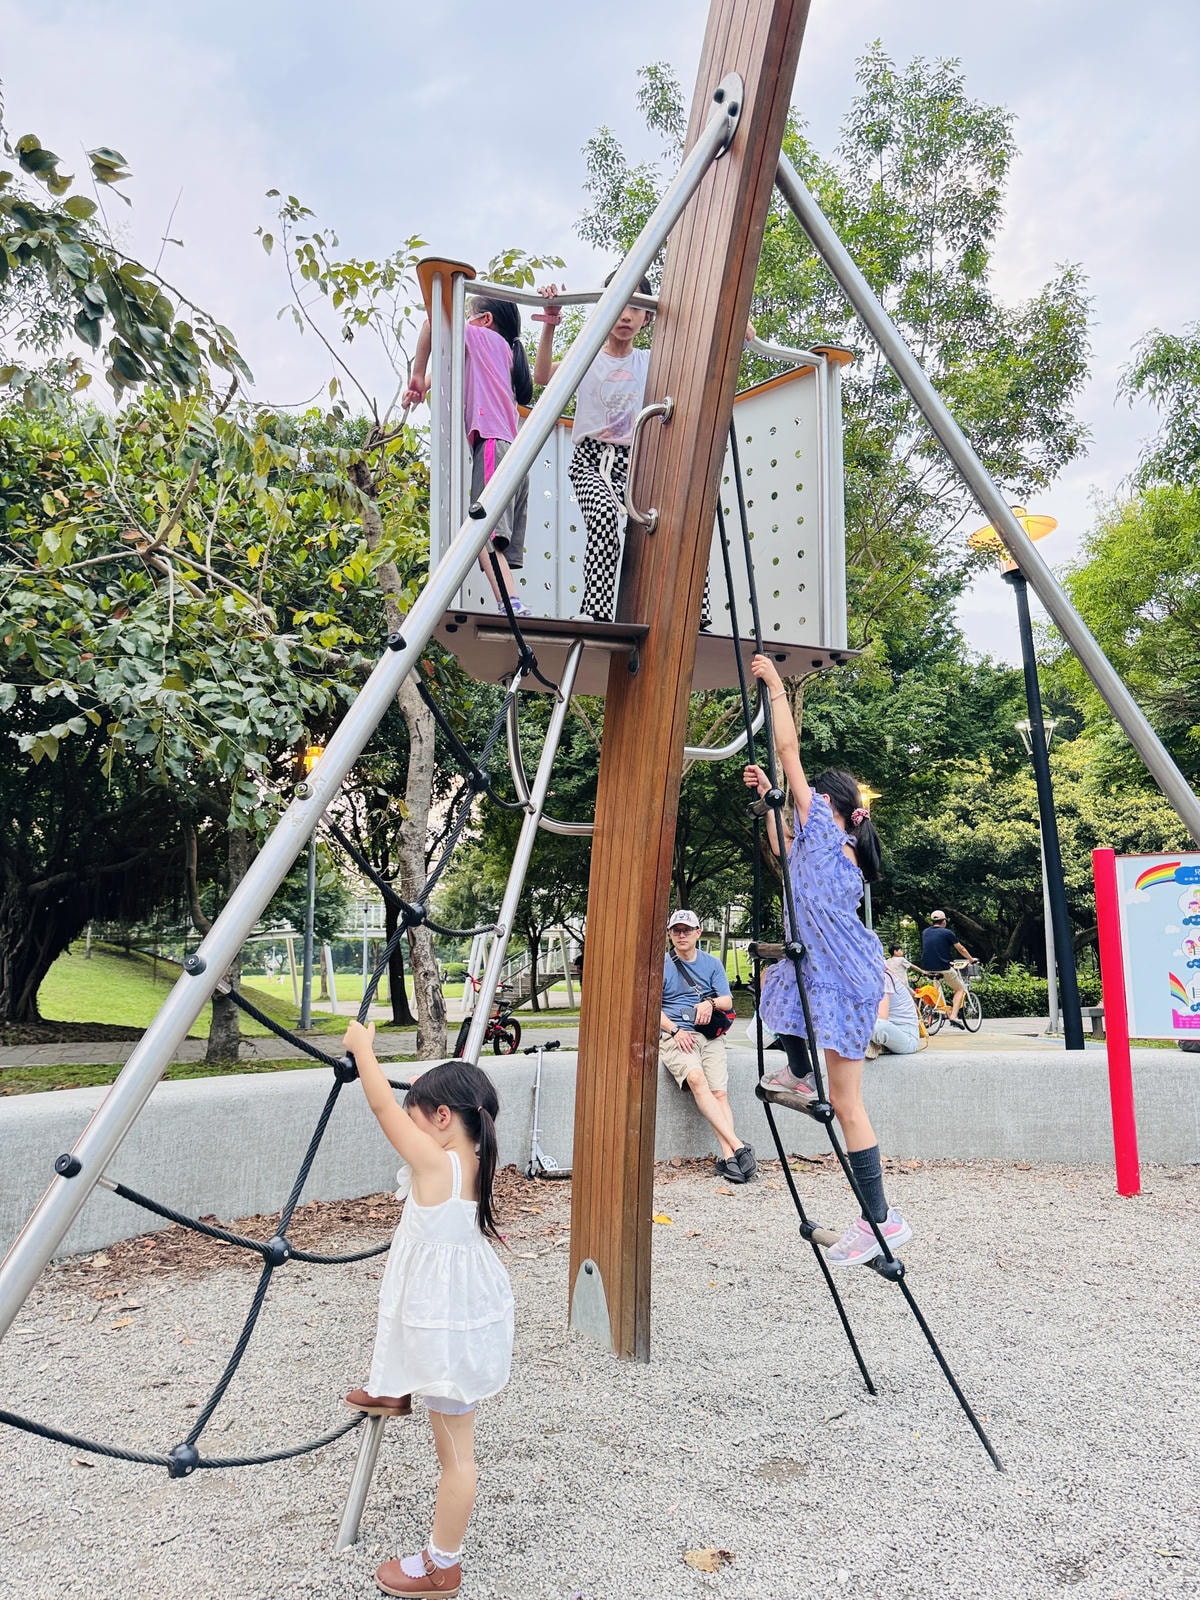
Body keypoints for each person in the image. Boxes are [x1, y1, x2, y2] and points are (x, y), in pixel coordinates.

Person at [742, 654, 911, 1269]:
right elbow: (781, 852)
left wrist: (777, 690)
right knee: (778, 980)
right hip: (840, 971)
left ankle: (882, 1220)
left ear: (830, 805)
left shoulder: (822, 826)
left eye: (805, 799)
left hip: (839, 976)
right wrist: (766, 804)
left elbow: (789, 751)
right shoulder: (831, 849)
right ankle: (797, 1072)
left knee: (847, 1103)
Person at [341, 1021, 514, 1598]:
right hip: (451, 1309)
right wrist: (427, 1089)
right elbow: (417, 1113)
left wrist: (364, 1049)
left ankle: (442, 1564)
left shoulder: (436, 1166)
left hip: (442, 1324)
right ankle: (393, 1384)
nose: (410, 1124)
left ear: (443, 1118)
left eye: (423, 1114)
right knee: (403, 1332)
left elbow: (381, 1108)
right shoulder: (473, 1159)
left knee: (456, 1459)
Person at [533, 273, 655, 622]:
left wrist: (742, 331)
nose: (626, 315)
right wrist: (550, 323)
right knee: (602, 518)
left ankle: (675, 613)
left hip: (635, 463)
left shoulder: (649, 361)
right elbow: (542, 376)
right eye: (619, 305)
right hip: (590, 460)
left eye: (637, 307)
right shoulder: (588, 356)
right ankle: (595, 613)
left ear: (648, 317)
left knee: (659, 530)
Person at [405, 296, 532, 617]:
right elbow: (449, 363)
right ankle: (511, 601)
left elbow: (431, 323)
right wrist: (425, 387)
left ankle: (510, 603)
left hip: (492, 445)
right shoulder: (502, 351)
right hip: (515, 456)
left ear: (484, 320)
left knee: (483, 533)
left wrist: (417, 375)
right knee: (496, 540)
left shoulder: (480, 337)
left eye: (467, 316)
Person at [658, 909, 756, 1184]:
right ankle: (737, 1147)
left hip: (709, 1035)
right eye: (675, 930)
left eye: (686, 930)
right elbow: (650, 1008)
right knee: (697, 1078)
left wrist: (708, 1003)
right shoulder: (662, 964)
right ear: (669, 934)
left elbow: (727, 1001)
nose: (681, 935)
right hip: (677, 1034)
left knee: (719, 1093)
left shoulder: (712, 964)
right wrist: (674, 1030)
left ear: (698, 933)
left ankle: (727, 1158)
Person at [919, 910, 976, 1030]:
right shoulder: (947, 933)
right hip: (943, 968)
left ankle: (942, 1010)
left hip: (928, 968)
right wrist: (970, 959)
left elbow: (933, 949)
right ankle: (953, 1016)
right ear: (944, 921)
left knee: (937, 988)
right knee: (960, 989)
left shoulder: (925, 932)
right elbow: (961, 949)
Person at [868, 967, 922, 1056]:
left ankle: (875, 1045)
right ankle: (876, 1045)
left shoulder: (882, 977)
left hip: (906, 1038)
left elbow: (881, 1018)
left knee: (878, 1026)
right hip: (883, 1036)